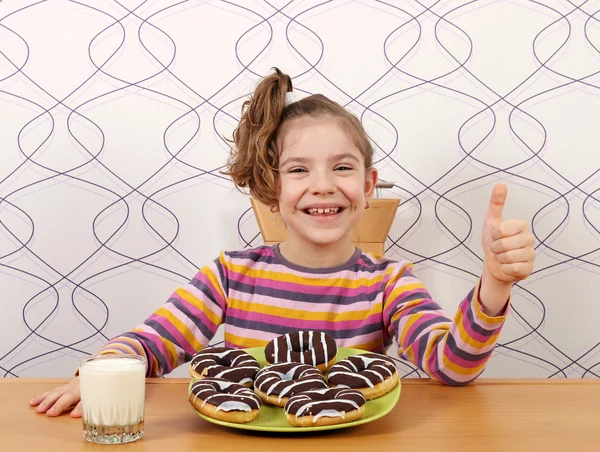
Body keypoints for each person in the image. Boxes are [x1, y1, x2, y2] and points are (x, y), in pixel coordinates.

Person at [30, 68, 535, 417]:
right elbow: (152, 343)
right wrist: (96, 375)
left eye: (342, 167)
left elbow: (452, 366)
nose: (322, 185)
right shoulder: (228, 276)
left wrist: (493, 283)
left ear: (366, 185)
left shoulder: (389, 283)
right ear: (271, 191)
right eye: (299, 170)